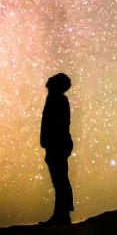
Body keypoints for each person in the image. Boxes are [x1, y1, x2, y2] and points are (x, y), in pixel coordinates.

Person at [40, 72, 74, 225]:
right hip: (57, 144)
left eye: (52, 79)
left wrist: (50, 141)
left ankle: (62, 215)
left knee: (60, 180)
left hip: (57, 144)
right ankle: (61, 214)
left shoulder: (58, 100)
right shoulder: (55, 99)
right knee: (59, 180)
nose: (48, 80)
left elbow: (58, 125)